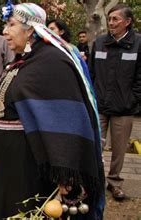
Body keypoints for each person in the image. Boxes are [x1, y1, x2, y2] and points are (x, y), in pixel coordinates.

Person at [0, 3, 104, 219]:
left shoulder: (52, 62)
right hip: (8, 157)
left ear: (30, 30)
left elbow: (64, 119)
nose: (5, 31)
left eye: (11, 24)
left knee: (23, 207)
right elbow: (19, 96)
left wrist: (66, 171)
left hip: (29, 161)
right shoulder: (27, 60)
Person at [89, 4, 140, 201]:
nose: (111, 23)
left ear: (127, 22)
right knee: (95, 145)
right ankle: (95, 181)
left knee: (119, 148)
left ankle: (115, 183)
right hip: (100, 105)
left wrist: (133, 99)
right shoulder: (100, 42)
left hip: (124, 108)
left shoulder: (138, 43)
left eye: (115, 19)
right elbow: (91, 73)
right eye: (109, 19)